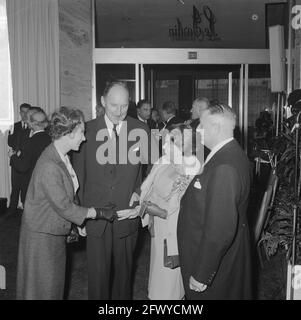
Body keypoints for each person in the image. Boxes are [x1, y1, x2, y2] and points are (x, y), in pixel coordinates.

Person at [16, 107, 117, 300]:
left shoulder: (62, 156)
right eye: (81, 133)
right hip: (41, 239)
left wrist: (77, 225)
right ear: (68, 133)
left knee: (51, 289)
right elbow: (64, 206)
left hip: (51, 234)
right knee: (44, 291)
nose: (84, 138)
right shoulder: (49, 166)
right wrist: (99, 213)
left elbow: (70, 193)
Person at [73, 81, 155, 300]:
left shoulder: (141, 130)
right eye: (113, 105)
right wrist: (79, 217)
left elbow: (151, 172)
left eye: (125, 106)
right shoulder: (86, 131)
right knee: (97, 279)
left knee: (124, 278)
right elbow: (79, 177)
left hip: (127, 215)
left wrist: (139, 194)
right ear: (102, 102)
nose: (119, 112)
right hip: (95, 216)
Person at [177, 103, 252, 300]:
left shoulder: (225, 165)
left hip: (214, 266)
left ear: (216, 127)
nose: (198, 130)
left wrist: (202, 274)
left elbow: (220, 229)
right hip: (218, 257)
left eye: (201, 125)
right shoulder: (229, 154)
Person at [119, 124, 202, 299]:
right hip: (158, 228)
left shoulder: (191, 167)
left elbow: (176, 208)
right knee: (158, 282)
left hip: (174, 233)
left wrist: (149, 210)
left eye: (170, 142)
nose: (164, 146)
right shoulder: (163, 162)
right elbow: (147, 189)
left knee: (169, 286)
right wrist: (139, 205)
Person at [10, 108, 51, 199]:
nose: (27, 121)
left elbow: (23, 167)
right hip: (48, 183)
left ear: (33, 124)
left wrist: (13, 156)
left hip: (32, 184)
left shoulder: (30, 142)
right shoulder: (51, 139)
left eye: (29, 119)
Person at [7, 103, 31, 213]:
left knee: (27, 188)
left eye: (27, 112)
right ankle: (11, 211)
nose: (25, 114)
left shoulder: (33, 126)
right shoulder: (14, 126)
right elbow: (10, 142)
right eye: (22, 111)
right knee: (15, 188)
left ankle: (26, 212)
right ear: (19, 112)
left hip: (27, 162)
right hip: (16, 162)